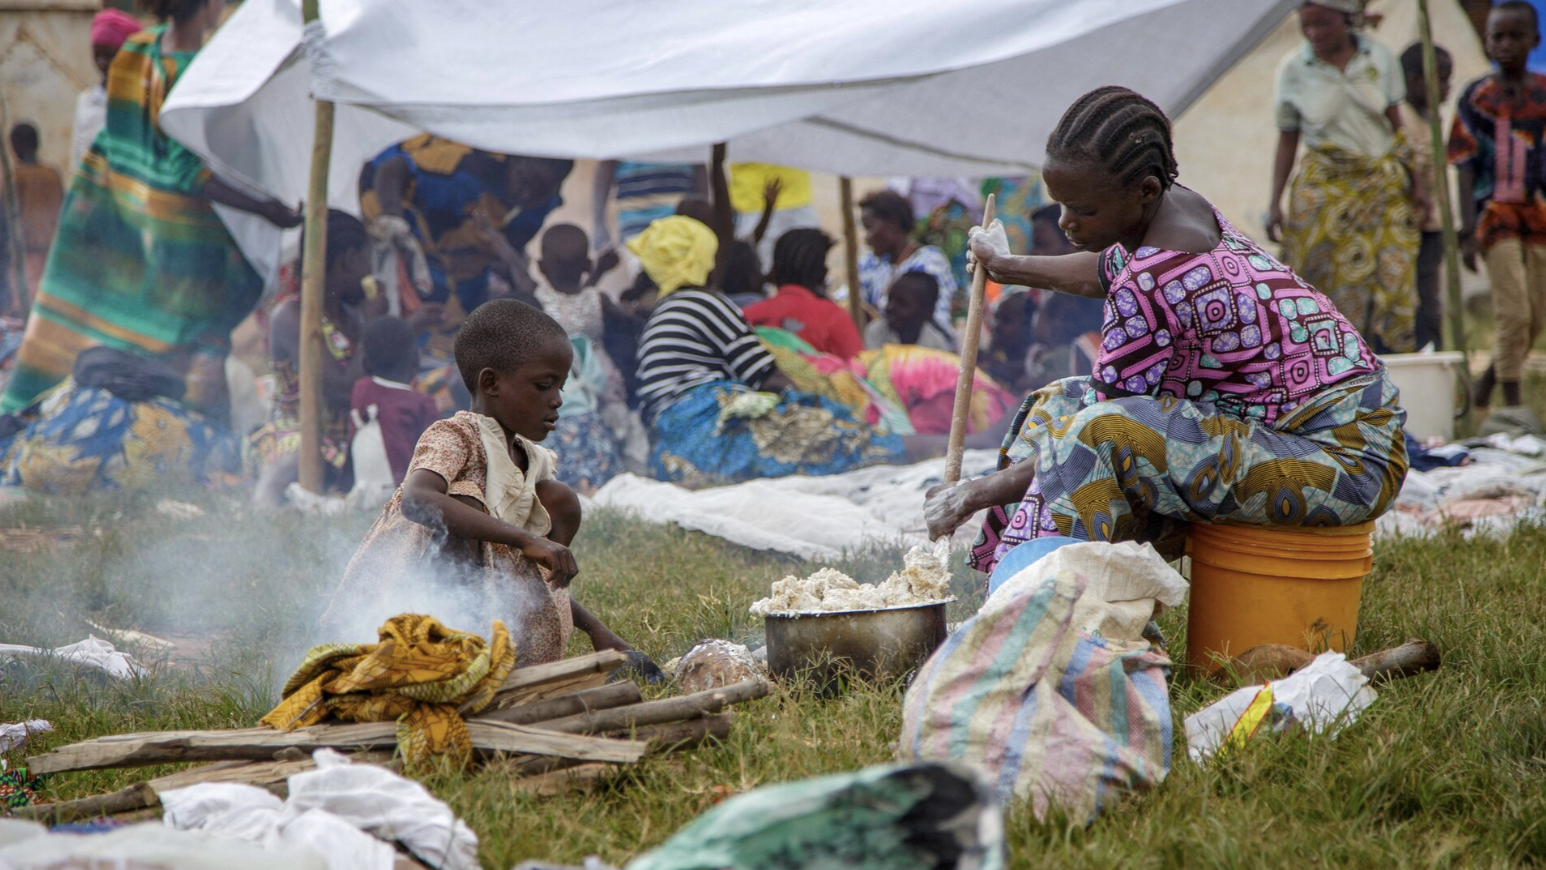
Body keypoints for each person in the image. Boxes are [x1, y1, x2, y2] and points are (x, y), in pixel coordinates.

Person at [926, 86, 1408, 579]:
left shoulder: (1155, 279)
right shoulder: (1177, 209)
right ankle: (1013, 583)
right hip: (1299, 435)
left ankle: (1048, 609)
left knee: (1089, 435)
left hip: (1345, 464)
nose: (1067, 222)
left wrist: (973, 492)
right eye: (1060, 206)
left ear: (1146, 190)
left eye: (1084, 210)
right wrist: (1007, 267)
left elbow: (1089, 436)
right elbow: (1105, 270)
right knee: (1058, 405)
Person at [0, 0, 301, 418]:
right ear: (210, 5)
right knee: (200, 350)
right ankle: (202, 453)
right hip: (190, 252)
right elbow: (188, 173)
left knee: (111, 336)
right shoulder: (198, 72)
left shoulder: (136, 51)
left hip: (129, 230)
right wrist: (267, 208)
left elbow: (115, 145)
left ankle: (65, 418)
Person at [319, 300, 647, 671]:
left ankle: (505, 654)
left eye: (560, 386)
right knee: (464, 502)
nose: (557, 399)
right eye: (543, 385)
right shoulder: (455, 435)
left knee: (560, 499)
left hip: (499, 614)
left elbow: (529, 568)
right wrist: (527, 539)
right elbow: (418, 499)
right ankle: (451, 651)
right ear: (490, 383)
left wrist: (597, 631)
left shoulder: (529, 458)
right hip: (413, 613)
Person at [629, 216, 909, 486]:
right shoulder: (706, 303)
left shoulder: (662, 315)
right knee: (841, 436)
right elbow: (766, 376)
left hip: (670, 452)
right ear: (702, 262)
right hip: (708, 434)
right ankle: (904, 448)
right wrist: (817, 404)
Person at [1268, 0, 1421, 354]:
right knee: (1314, 280)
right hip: (1324, 190)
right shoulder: (1293, 68)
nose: (1313, 34)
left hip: (1381, 187)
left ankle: (1384, 359)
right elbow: (1287, 138)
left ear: (1346, 19)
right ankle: (1326, 357)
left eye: (1323, 24)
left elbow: (1398, 127)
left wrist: (1419, 187)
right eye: (1306, 26)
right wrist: (1274, 202)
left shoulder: (1379, 59)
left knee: (1390, 276)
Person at [1450, 1, 1546, 411]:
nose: (1506, 45)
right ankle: (1511, 408)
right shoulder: (1476, 97)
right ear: (1487, 41)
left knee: (1538, 315)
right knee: (1514, 311)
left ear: (1534, 40)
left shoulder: (1542, 94)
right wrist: (1468, 231)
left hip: (1538, 213)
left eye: (1515, 36)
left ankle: (1486, 384)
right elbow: (1464, 165)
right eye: (1497, 36)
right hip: (1494, 216)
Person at [359, 135, 573, 317]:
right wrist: (392, 218)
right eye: (524, 181)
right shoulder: (466, 168)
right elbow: (393, 168)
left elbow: (508, 248)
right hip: (387, 196)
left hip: (455, 239)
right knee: (416, 289)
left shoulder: (544, 203)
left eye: (541, 190)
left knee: (464, 307)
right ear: (514, 161)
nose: (527, 195)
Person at [250, 211, 371, 507]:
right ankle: (264, 506)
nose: (371, 271)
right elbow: (339, 390)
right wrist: (374, 329)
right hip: (299, 431)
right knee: (301, 454)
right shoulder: (292, 315)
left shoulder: (352, 318)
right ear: (348, 259)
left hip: (350, 436)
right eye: (367, 259)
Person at [531, 223, 625, 492]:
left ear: (540, 266)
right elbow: (582, 301)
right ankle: (615, 480)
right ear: (586, 264)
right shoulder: (599, 299)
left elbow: (569, 301)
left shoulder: (537, 301)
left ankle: (577, 484)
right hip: (603, 381)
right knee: (615, 434)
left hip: (564, 388)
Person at [1399, 42, 1453, 352]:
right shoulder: (1401, 117)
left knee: (1429, 297)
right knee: (1411, 297)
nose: (1447, 88)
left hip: (1431, 227)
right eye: (1441, 79)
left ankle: (1431, 351)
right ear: (1414, 80)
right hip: (1407, 227)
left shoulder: (1432, 117)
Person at [742, 228, 864, 359]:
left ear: (775, 269)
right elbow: (857, 371)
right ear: (821, 272)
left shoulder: (745, 316)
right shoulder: (833, 317)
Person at [851, 189, 958, 330]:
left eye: (870, 228)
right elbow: (850, 300)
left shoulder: (930, 262)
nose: (867, 238)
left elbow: (937, 320)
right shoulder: (871, 263)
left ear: (893, 224)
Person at [351, 316, 439, 487]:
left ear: (364, 364)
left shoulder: (360, 389)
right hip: (400, 491)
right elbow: (436, 457)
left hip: (360, 485)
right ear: (416, 358)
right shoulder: (421, 403)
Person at [71, 9, 142, 172]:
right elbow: (77, 160)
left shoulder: (140, 102)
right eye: (97, 54)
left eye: (110, 55)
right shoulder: (86, 101)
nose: (102, 62)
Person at [1, 124, 63, 312]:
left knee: (23, 309)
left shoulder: (13, 179)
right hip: (52, 256)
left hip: (25, 257)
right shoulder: (52, 174)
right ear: (37, 144)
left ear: (14, 147)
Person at [591, 160, 703, 252]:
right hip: (635, 223)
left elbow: (699, 162)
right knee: (643, 275)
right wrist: (599, 224)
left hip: (681, 222)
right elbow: (606, 164)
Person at [863, 272, 955, 351]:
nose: (890, 307)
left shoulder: (935, 345)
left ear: (926, 312)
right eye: (890, 299)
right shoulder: (877, 332)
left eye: (902, 303)